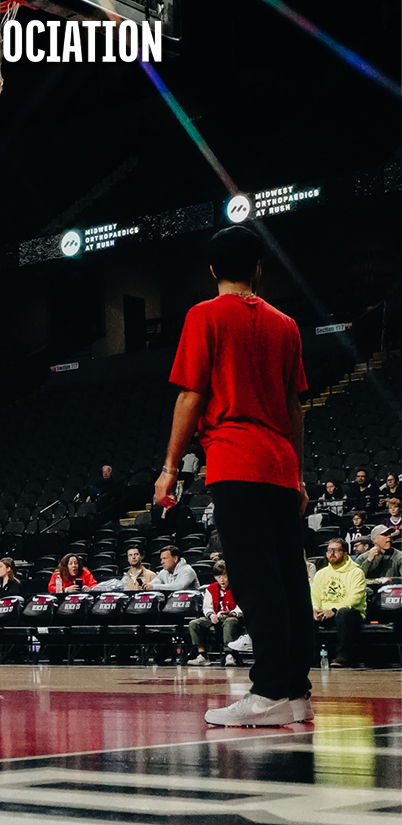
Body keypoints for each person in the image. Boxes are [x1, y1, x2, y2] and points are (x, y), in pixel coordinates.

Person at [155, 225, 312, 727]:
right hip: (282, 464)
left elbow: (190, 395)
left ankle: (266, 693)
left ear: (212, 270)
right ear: (259, 268)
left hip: (235, 459)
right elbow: (294, 407)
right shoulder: (286, 324)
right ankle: (297, 691)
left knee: (254, 577)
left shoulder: (204, 315)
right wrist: (300, 474)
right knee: (290, 578)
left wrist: (170, 467)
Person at [310, 538, 367, 668]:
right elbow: (314, 595)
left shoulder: (356, 572)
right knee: (307, 615)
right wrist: (315, 609)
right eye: (329, 550)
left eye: (336, 550)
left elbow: (355, 598)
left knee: (344, 613)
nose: (332, 553)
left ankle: (343, 655)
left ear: (345, 553)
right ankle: (311, 657)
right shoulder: (321, 573)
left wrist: (334, 610)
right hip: (325, 612)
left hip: (351, 613)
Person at [188, 561, 244, 666]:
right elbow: (207, 606)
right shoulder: (211, 588)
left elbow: (241, 606)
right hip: (216, 616)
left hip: (232, 617)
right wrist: (211, 615)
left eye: (224, 577)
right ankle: (202, 655)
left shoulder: (237, 587)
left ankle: (229, 654)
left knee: (230, 621)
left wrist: (232, 613)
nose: (221, 580)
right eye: (218, 577)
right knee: (194, 624)